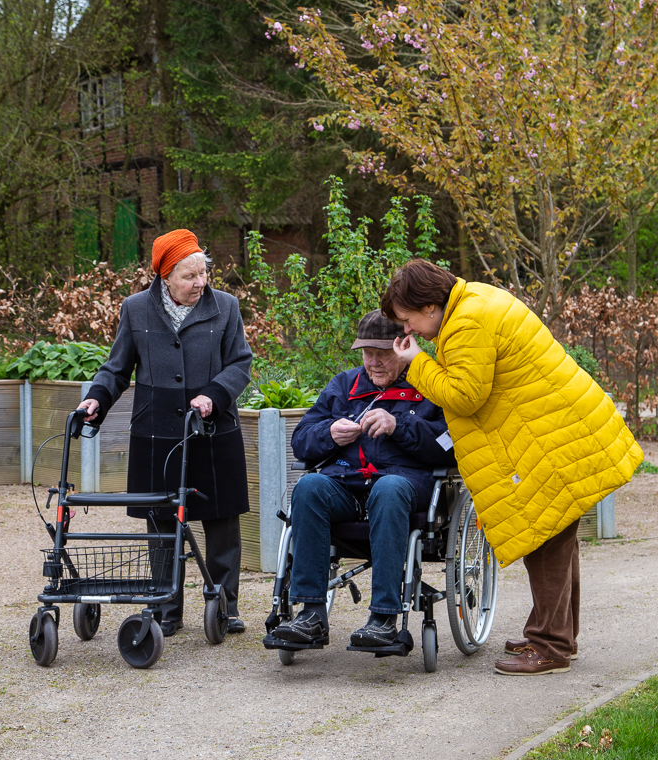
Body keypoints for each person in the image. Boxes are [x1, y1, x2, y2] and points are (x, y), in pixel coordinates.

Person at [382, 259, 643, 675]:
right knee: (556, 539)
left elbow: (465, 396)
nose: (408, 329)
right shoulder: (474, 301)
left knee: (546, 541)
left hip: (549, 439)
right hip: (554, 431)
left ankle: (551, 646)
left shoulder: (467, 322)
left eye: (408, 318)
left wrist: (417, 363)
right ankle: (556, 634)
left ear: (430, 306)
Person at [77, 229, 253, 636]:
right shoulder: (136, 309)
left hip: (212, 429)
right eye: (189, 276)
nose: (200, 283)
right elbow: (117, 367)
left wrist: (214, 394)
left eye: (203, 273)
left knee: (222, 523)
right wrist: (96, 399)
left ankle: (225, 606)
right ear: (165, 277)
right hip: (156, 432)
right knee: (161, 524)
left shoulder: (226, 307)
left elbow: (240, 363)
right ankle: (165, 608)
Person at [271, 310, 456, 649]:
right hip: (346, 485)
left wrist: (400, 426)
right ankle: (310, 614)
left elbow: (451, 446)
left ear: (403, 348)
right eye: (367, 354)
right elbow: (301, 440)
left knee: (389, 488)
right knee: (309, 486)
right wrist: (328, 433)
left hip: (403, 486)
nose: (373, 363)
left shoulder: (430, 387)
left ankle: (384, 617)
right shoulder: (343, 386)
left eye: (382, 354)